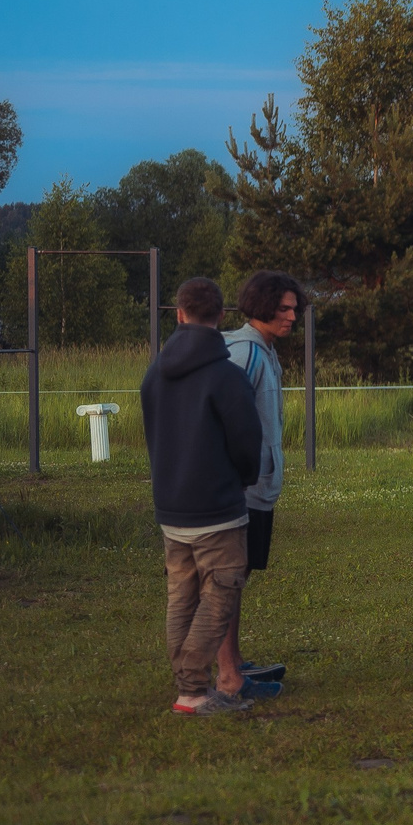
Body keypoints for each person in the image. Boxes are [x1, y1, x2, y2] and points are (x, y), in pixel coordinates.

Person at [143, 277, 266, 716]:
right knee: (219, 596)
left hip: (171, 508)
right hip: (217, 510)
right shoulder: (227, 377)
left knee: (181, 598)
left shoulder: (154, 374)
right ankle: (193, 691)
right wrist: (244, 479)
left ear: (179, 314)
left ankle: (187, 690)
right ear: (222, 316)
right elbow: (247, 443)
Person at [221, 270, 302, 693]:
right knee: (228, 578)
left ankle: (235, 661)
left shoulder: (266, 351)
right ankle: (227, 673)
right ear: (262, 306)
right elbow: (220, 417)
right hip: (242, 489)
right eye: (284, 308)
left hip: (259, 486)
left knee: (240, 575)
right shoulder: (244, 354)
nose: (292, 316)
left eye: (294, 308)